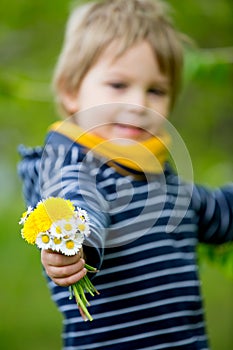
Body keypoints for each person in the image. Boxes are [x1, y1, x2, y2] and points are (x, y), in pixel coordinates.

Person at [18, 0, 233, 349]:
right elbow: (76, 201)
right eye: (118, 85)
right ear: (72, 91)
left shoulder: (160, 176)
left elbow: (216, 211)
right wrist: (74, 240)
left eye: (156, 91)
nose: (138, 104)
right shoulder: (68, 166)